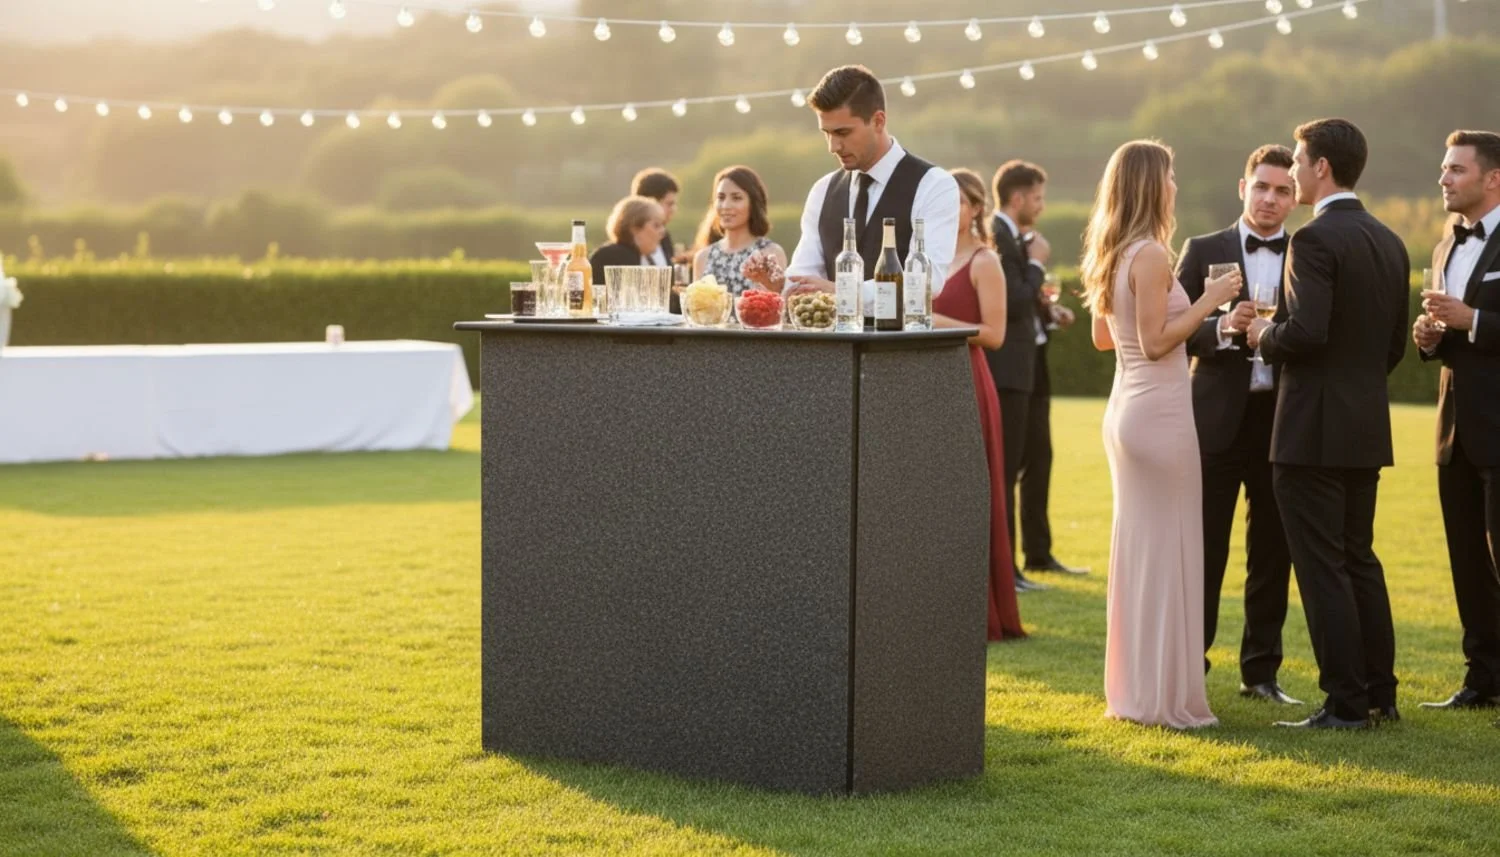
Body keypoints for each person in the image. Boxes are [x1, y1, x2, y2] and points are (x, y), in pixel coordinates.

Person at [1246, 118, 1410, 730]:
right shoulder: (1390, 241)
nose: (1290, 174)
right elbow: (1392, 345)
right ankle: (1379, 694)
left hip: (1309, 429)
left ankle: (1345, 703)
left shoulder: (1312, 241)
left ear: (1320, 168)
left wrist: (1265, 334)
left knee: (1322, 568)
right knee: (1360, 558)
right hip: (1365, 423)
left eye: (1298, 163)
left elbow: (1307, 332)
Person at [1083, 139, 1238, 729]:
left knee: (1144, 553)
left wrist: (1188, 311)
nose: (1175, 184)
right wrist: (1210, 302)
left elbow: (1107, 338)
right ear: (1153, 184)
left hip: (1129, 408)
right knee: (1168, 550)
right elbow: (1155, 342)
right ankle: (1159, 696)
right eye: (1170, 174)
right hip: (1159, 415)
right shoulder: (1149, 254)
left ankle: (1139, 689)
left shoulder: (1113, 250)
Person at [1175, 144, 1300, 706]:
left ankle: (1261, 672)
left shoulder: (1309, 251)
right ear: (1242, 186)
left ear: (1296, 197)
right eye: (1262, 187)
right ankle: (1189, 665)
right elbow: (1173, 330)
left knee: (1272, 553)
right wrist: (1222, 329)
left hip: (1281, 423)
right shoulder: (1203, 249)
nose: (1270, 199)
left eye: (1282, 190)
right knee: (1203, 549)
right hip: (1215, 421)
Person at [1413, 129, 1500, 721]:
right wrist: (1429, 339)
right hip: (1455, 430)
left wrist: (1473, 320)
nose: (1443, 179)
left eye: (1455, 170)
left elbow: (1477, 324)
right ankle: (1483, 678)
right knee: (1467, 559)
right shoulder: (1446, 243)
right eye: (1444, 169)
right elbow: (1451, 336)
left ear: (1492, 178)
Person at [784, 65, 959, 313]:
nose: (833, 146)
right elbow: (804, 274)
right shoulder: (822, 190)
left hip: (903, 349)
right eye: (827, 133)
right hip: (830, 349)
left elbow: (927, 282)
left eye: (842, 132)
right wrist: (781, 284)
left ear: (878, 121)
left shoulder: (934, 185)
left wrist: (841, 292)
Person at [933, 168, 1024, 641]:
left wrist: (932, 320)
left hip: (968, 381)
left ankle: (983, 609)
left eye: (958, 201)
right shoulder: (922, 257)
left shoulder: (985, 262)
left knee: (971, 495)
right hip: (927, 384)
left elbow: (994, 334)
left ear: (974, 208)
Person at [987, 160, 1083, 589]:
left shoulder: (1016, 236)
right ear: (1019, 197)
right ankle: (1008, 570)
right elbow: (1010, 300)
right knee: (1007, 468)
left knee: (1039, 458)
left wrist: (1047, 313)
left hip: (1033, 364)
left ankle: (1039, 554)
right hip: (1007, 367)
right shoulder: (996, 235)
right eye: (1039, 198)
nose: (1041, 207)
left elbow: (1027, 302)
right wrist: (1039, 265)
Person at [690, 166, 789, 296]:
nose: (726, 206)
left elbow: (778, 307)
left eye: (736, 198)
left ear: (753, 203)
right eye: (721, 197)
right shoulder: (703, 257)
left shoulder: (770, 253)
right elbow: (695, 310)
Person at [589, 195, 666, 285]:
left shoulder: (636, 255)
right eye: (656, 225)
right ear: (634, 228)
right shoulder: (617, 256)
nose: (662, 231)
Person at [630, 168, 683, 265]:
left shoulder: (664, 238)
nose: (674, 210)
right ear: (651, 203)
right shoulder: (625, 246)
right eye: (669, 204)